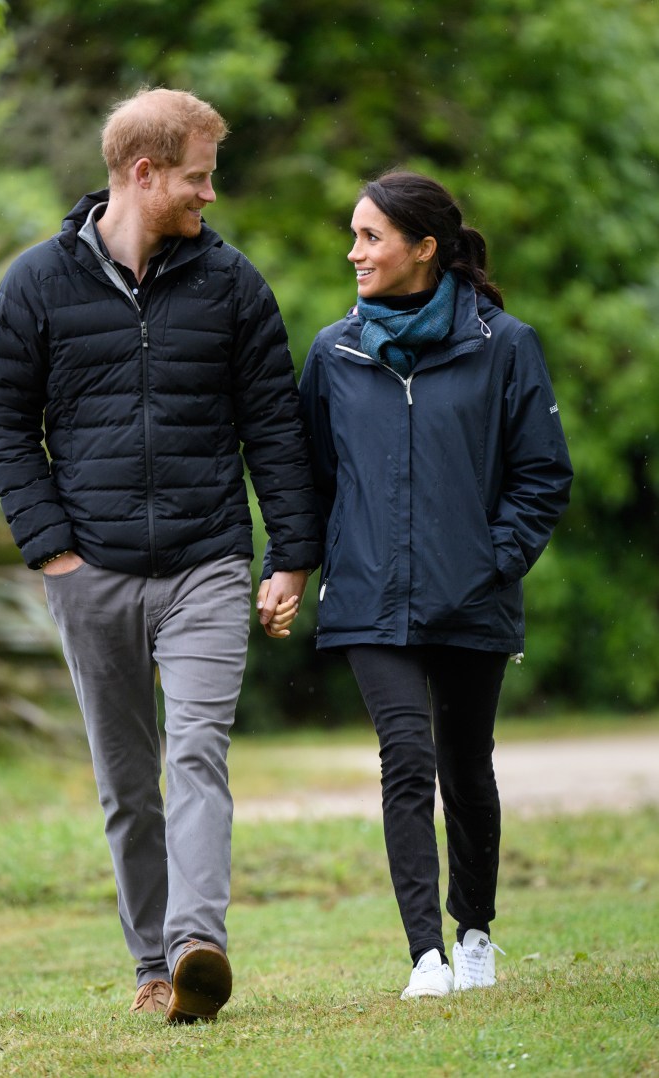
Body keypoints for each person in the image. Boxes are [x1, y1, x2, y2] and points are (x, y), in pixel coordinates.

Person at [0, 87, 321, 1023]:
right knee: (128, 786)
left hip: (207, 564)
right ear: (144, 172)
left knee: (197, 755)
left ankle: (197, 943)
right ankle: (152, 968)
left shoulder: (234, 285)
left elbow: (274, 430)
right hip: (90, 573)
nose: (211, 196)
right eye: (199, 178)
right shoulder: (36, 285)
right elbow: (3, 423)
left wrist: (290, 555)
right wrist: (52, 553)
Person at [260, 170, 573, 999]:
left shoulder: (505, 345)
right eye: (354, 235)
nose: (353, 251)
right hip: (367, 600)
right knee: (406, 760)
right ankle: (425, 957)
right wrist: (289, 566)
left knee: (466, 768)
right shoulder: (335, 352)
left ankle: (475, 933)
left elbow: (542, 476)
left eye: (371, 237)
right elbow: (311, 481)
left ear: (423, 249)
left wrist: (492, 562)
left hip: (472, 597)